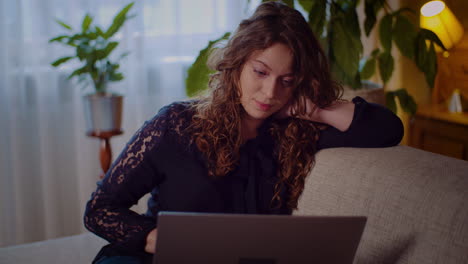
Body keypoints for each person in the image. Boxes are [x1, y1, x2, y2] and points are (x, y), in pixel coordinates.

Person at [84, 1, 404, 263]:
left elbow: (388, 130)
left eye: (287, 80)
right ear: (237, 63)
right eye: (260, 72)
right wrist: (161, 241)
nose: (269, 92)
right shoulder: (177, 125)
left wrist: (315, 109)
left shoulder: (296, 134)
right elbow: (99, 210)